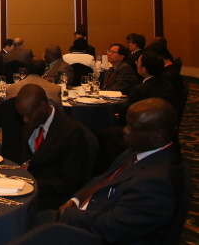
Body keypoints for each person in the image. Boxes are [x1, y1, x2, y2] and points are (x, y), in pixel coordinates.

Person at [57, 99, 184, 245]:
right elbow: (102, 179)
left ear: (158, 134)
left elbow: (112, 228)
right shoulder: (137, 152)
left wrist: (68, 214)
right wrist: (76, 200)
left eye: (132, 127)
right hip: (89, 214)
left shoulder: (156, 182)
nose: (125, 130)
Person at [15, 84, 88, 211]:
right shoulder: (32, 122)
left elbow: (71, 182)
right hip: (28, 188)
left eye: (28, 115)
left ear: (43, 106)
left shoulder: (70, 132)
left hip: (51, 198)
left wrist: (31, 182)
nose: (25, 120)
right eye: (22, 116)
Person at [123, 51, 176, 124]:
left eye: (138, 62)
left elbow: (126, 111)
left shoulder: (140, 90)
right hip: (164, 123)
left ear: (143, 69)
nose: (136, 64)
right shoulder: (168, 85)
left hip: (143, 125)